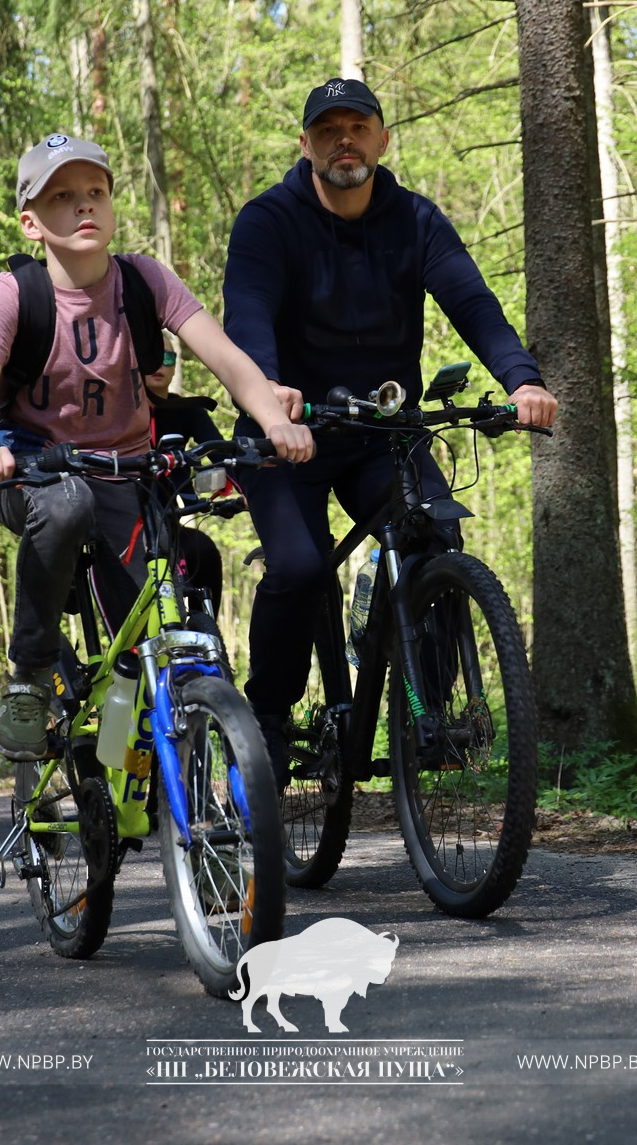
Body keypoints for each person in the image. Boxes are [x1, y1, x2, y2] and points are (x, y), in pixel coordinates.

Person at [220, 78, 560, 779]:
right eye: (328, 130)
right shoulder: (269, 219)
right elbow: (247, 311)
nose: (344, 140)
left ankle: (429, 716)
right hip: (289, 429)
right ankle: (271, 719)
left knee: (433, 529)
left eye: (358, 126)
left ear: (382, 138)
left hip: (383, 430)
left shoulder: (416, 220)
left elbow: (471, 299)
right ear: (306, 144)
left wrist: (520, 379)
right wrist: (266, 389)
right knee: (300, 566)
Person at [0, 133, 313, 759]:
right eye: (62, 197)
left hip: (123, 473)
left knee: (149, 635)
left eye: (95, 193)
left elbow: (225, 356)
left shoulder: (144, 280)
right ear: (32, 222)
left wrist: (271, 418)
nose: (83, 207)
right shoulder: (14, 295)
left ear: (113, 207)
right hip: (31, 469)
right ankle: (31, 676)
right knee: (65, 506)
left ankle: (147, 758)